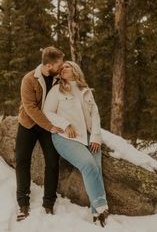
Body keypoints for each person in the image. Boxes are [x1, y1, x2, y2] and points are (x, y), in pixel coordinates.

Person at [43, 61, 109, 227]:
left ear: (75, 69)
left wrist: (95, 136)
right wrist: (65, 124)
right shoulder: (57, 89)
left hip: (87, 136)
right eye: (62, 67)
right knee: (88, 164)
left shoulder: (85, 90)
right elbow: (47, 111)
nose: (63, 69)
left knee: (96, 168)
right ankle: (102, 208)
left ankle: (96, 214)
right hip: (65, 137)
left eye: (67, 66)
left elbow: (95, 114)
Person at [15, 46, 65, 221]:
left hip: (49, 125)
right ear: (49, 65)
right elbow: (30, 108)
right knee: (22, 160)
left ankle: (49, 203)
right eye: (59, 64)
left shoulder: (58, 79)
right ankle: (23, 203)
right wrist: (50, 127)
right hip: (28, 123)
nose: (62, 67)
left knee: (52, 162)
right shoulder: (29, 79)